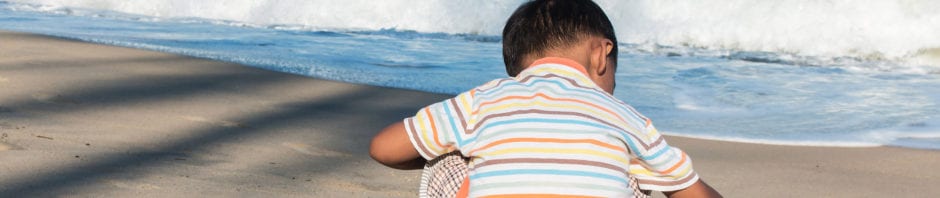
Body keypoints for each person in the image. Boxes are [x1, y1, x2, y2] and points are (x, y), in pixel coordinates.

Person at [370, 0, 722, 197]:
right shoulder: (625, 116)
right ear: (601, 54)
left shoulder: (484, 99)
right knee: (635, 171)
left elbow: (383, 147)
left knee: (447, 157)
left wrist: (469, 154)